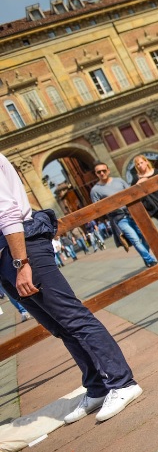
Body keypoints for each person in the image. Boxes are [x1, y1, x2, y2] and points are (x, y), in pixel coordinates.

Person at [0, 153, 142, 424]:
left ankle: (122, 383)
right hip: (7, 256)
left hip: (20, 248)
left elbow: (6, 211)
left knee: (73, 318)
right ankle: (98, 387)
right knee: (60, 326)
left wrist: (21, 262)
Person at [89, 162, 158, 267]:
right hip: (119, 218)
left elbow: (131, 193)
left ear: (108, 170)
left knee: (145, 236)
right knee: (135, 240)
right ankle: (150, 260)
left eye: (104, 170)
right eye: (99, 172)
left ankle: (146, 256)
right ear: (96, 174)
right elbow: (97, 208)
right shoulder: (95, 190)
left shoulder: (119, 181)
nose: (102, 173)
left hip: (132, 213)